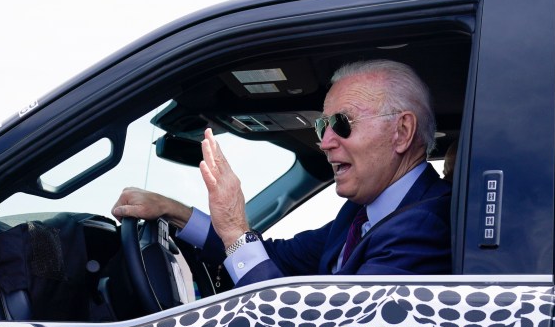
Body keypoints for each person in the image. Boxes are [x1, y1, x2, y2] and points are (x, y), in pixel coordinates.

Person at [113, 59, 451, 287]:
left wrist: (234, 230)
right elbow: (275, 257)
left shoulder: (425, 226)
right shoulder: (362, 215)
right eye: (323, 126)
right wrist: (174, 212)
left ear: (402, 132)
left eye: (342, 123)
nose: (324, 142)